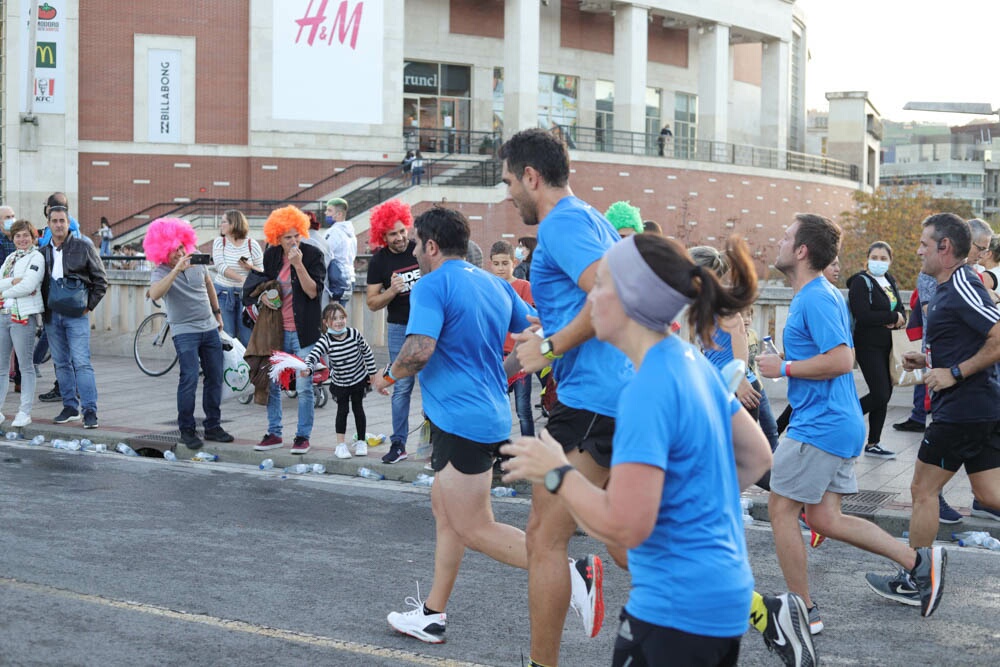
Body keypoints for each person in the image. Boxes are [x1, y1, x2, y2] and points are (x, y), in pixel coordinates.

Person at [501, 233, 815, 667]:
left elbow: (624, 528)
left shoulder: (645, 389)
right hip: (723, 598)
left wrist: (556, 472)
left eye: (603, 285)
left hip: (674, 612)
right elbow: (756, 456)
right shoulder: (692, 361)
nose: (591, 297)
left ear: (631, 300)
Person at [757, 213, 947, 630]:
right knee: (825, 519)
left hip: (819, 424)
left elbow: (843, 359)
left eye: (787, 236)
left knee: (781, 510)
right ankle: (918, 563)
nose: (781, 241)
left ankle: (802, 611)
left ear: (802, 251)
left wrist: (783, 367)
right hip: (833, 421)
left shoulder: (815, 297)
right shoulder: (817, 294)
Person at [372, 207, 537, 645]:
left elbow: (419, 350)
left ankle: (570, 570)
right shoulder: (495, 285)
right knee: (445, 514)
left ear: (430, 245)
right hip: (483, 416)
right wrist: (503, 373)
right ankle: (432, 614)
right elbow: (539, 332)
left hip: (461, 420)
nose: (414, 254)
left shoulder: (431, 284)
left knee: (473, 526)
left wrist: (387, 377)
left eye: (416, 246)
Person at [501, 127, 634, 666]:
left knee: (543, 536)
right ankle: (760, 610)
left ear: (532, 176)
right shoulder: (591, 217)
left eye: (510, 181)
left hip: (593, 401)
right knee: (623, 540)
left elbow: (614, 293)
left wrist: (553, 344)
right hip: (620, 393)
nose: (508, 194)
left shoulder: (559, 224)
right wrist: (548, 334)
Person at [866, 213, 1000, 602]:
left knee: (922, 490)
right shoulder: (944, 288)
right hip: (974, 408)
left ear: (945, 248)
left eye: (925, 243)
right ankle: (917, 576)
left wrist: (955, 373)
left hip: (963, 409)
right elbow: (967, 339)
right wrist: (928, 361)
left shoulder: (962, 284)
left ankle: (916, 580)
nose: (918, 250)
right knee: (991, 495)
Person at [145, 218, 234, 449]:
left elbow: (209, 285)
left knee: (215, 377)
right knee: (189, 378)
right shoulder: (161, 271)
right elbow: (155, 294)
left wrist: (218, 314)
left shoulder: (198, 263)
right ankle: (187, 429)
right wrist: (176, 269)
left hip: (209, 327)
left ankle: (213, 426)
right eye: (174, 250)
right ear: (164, 251)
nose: (180, 252)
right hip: (184, 331)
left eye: (182, 247)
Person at [252, 206, 325, 455]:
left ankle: (302, 436)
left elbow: (314, 292)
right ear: (277, 238)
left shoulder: (312, 255)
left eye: (296, 235)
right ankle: (274, 433)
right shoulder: (271, 256)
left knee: (304, 387)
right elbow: (263, 285)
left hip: (304, 331)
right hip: (277, 331)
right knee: (273, 382)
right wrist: (263, 296)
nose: (293, 241)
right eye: (287, 237)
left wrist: (299, 265)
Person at [40, 202, 107, 429]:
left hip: (77, 315)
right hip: (52, 316)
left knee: (81, 363)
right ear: (48, 224)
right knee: (61, 363)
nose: (58, 225)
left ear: (68, 224)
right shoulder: (42, 252)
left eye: (62, 221)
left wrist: (89, 306)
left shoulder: (83, 247)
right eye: (54, 221)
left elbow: (101, 281)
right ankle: (70, 407)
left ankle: (90, 410)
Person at [366, 199, 421, 464]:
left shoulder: (420, 249)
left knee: (435, 382)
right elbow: (371, 303)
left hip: (428, 326)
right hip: (399, 327)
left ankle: (437, 441)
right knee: (401, 386)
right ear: (382, 235)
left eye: (402, 231)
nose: (400, 238)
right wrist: (392, 290)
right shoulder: (379, 261)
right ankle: (399, 444)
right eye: (392, 234)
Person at [846, 241, 906, 459]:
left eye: (883, 258)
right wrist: (892, 318)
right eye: (875, 257)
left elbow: (900, 308)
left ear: (890, 261)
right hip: (868, 345)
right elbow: (863, 314)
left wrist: (900, 319)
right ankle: (843, 420)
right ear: (867, 258)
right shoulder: (860, 282)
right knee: (880, 393)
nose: (879, 262)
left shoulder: (889, 280)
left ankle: (873, 443)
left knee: (885, 393)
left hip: (888, 345)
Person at [303, 302, 376, 459]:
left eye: (342, 317)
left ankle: (361, 441)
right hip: (341, 382)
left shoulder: (354, 334)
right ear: (326, 322)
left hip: (358, 379)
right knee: (342, 411)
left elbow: (367, 352)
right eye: (334, 318)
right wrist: (308, 368)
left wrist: (372, 372)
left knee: (358, 409)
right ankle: (340, 445)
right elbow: (313, 355)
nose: (339, 321)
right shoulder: (326, 340)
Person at [0, 219, 45, 427]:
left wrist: (4, 290)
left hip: (23, 317)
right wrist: (11, 282)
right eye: (18, 235)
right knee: (1, 368)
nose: (22, 239)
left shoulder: (37, 257)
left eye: (26, 235)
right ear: (13, 238)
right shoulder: (10, 258)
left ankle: (24, 411)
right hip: (3, 314)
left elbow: (29, 285)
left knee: (25, 367)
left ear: (33, 237)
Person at [490, 240, 535, 437]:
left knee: (523, 409)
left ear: (513, 263)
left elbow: (531, 319)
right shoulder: (487, 286)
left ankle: (530, 451)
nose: (501, 268)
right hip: (495, 355)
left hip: (520, 356)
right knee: (497, 409)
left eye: (505, 263)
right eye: (497, 263)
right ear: (491, 264)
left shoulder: (525, 287)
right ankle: (500, 451)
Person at [211, 209, 263, 347]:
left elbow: (262, 271)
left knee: (247, 337)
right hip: (223, 295)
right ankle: (229, 368)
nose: (220, 225)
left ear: (234, 223)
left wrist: (249, 267)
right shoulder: (219, 242)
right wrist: (242, 278)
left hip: (246, 297)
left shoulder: (252, 244)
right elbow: (220, 267)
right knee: (228, 337)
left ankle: (247, 368)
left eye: (223, 222)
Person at [323, 198, 357, 307]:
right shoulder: (351, 233)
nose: (326, 213)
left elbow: (324, 253)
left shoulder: (334, 232)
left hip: (336, 280)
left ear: (339, 214)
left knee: (331, 316)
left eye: (329, 211)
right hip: (349, 278)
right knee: (340, 315)